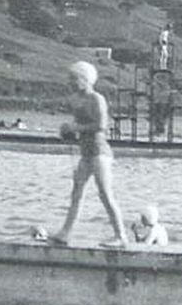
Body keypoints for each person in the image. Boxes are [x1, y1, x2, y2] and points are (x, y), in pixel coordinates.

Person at [50, 61, 127, 247]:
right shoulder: (76, 100)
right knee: (76, 193)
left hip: (100, 152)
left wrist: (76, 127)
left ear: (86, 79)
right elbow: (80, 126)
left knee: (105, 194)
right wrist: (67, 131)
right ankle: (65, 233)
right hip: (86, 153)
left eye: (74, 79)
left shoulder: (97, 99)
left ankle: (121, 236)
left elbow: (101, 126)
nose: (71, 82)